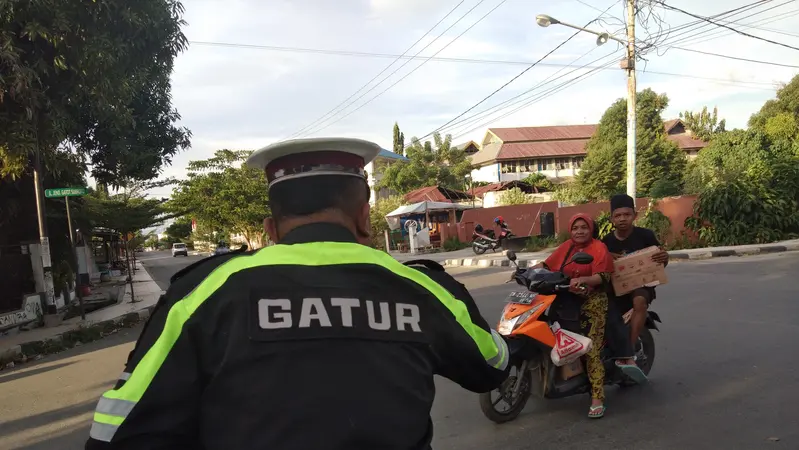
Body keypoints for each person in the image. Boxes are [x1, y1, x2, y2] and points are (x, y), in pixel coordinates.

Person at [84, 137, 509, 450]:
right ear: (364, 217)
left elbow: (116, 431)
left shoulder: (206, 292)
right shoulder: (423, 290)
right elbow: (491, 367)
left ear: (271, 228)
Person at [534, 213, 614, 418]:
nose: (579, 231)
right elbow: (547, 265)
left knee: (590, 347)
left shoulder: (598, 248)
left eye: (584, 227)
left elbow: (603, 275)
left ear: (591, 228)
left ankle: (597, 397)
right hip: (566, 299)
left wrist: (584, 280)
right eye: (575, 228)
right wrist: (527, 272)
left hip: (592, 302)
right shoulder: (567, 247)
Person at [602, 194, 669, 366]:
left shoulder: (645, 236)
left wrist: (663, 257)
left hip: (642, 286)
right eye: (618, 215)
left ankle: (628, 351)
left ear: (634, 215)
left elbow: (659, 261)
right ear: (611, 219)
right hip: (616, 289)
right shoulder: (605, 242)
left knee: (639, 302)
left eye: (626, 214)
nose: (622, 219)